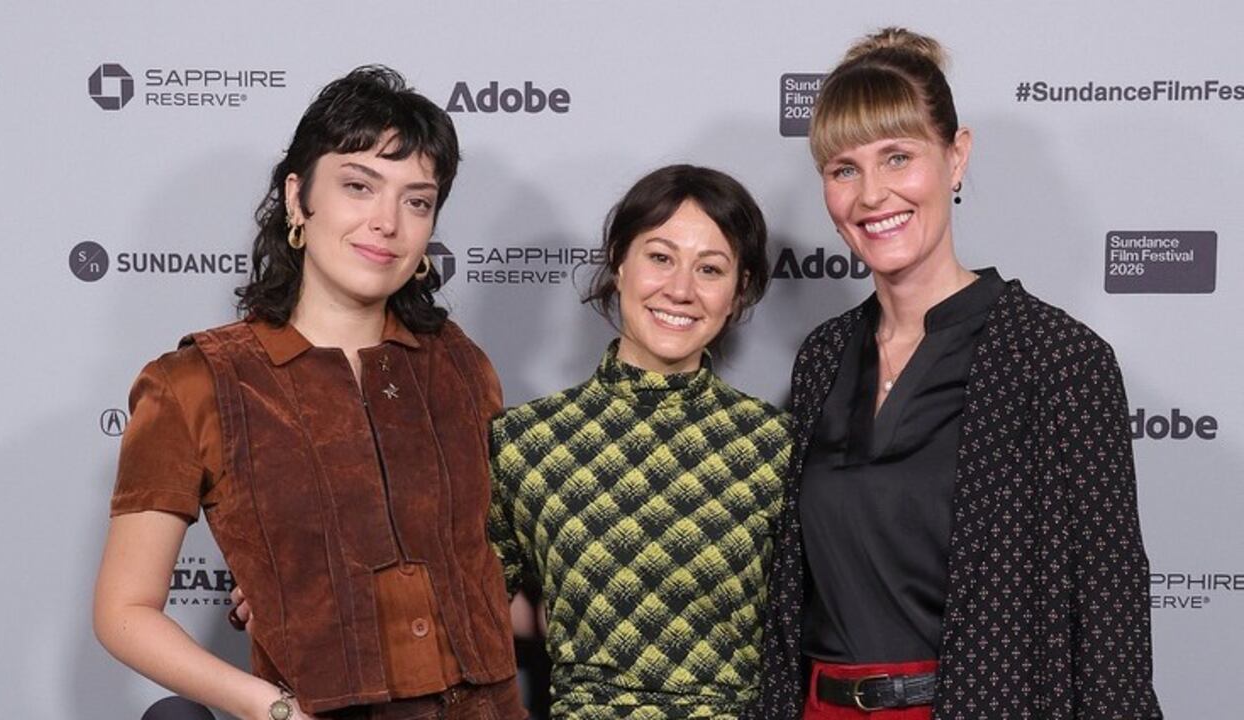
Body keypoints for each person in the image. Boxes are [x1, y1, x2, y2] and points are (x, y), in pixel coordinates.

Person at [746, 29, 1162, 720]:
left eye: (898, 157)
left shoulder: (1058, 360)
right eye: (843, 169)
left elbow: (1111, 624)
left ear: (956, 157)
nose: (872, 195)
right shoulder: (822, 358)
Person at [93, 66, 525, 720]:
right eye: (358, 186)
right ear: (298, 199)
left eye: (417, 200)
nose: (387, 222)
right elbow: (123, 610)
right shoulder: (193, 384)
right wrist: (272, 707)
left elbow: (491, 575)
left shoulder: (461, 367)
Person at [486, 164, 793, 719]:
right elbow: (477, 611)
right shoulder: (526, 442)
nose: (680, 289)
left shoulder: (775, 446)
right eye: (660, 257)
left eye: (710, 268)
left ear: (738, 290)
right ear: (619, 264)